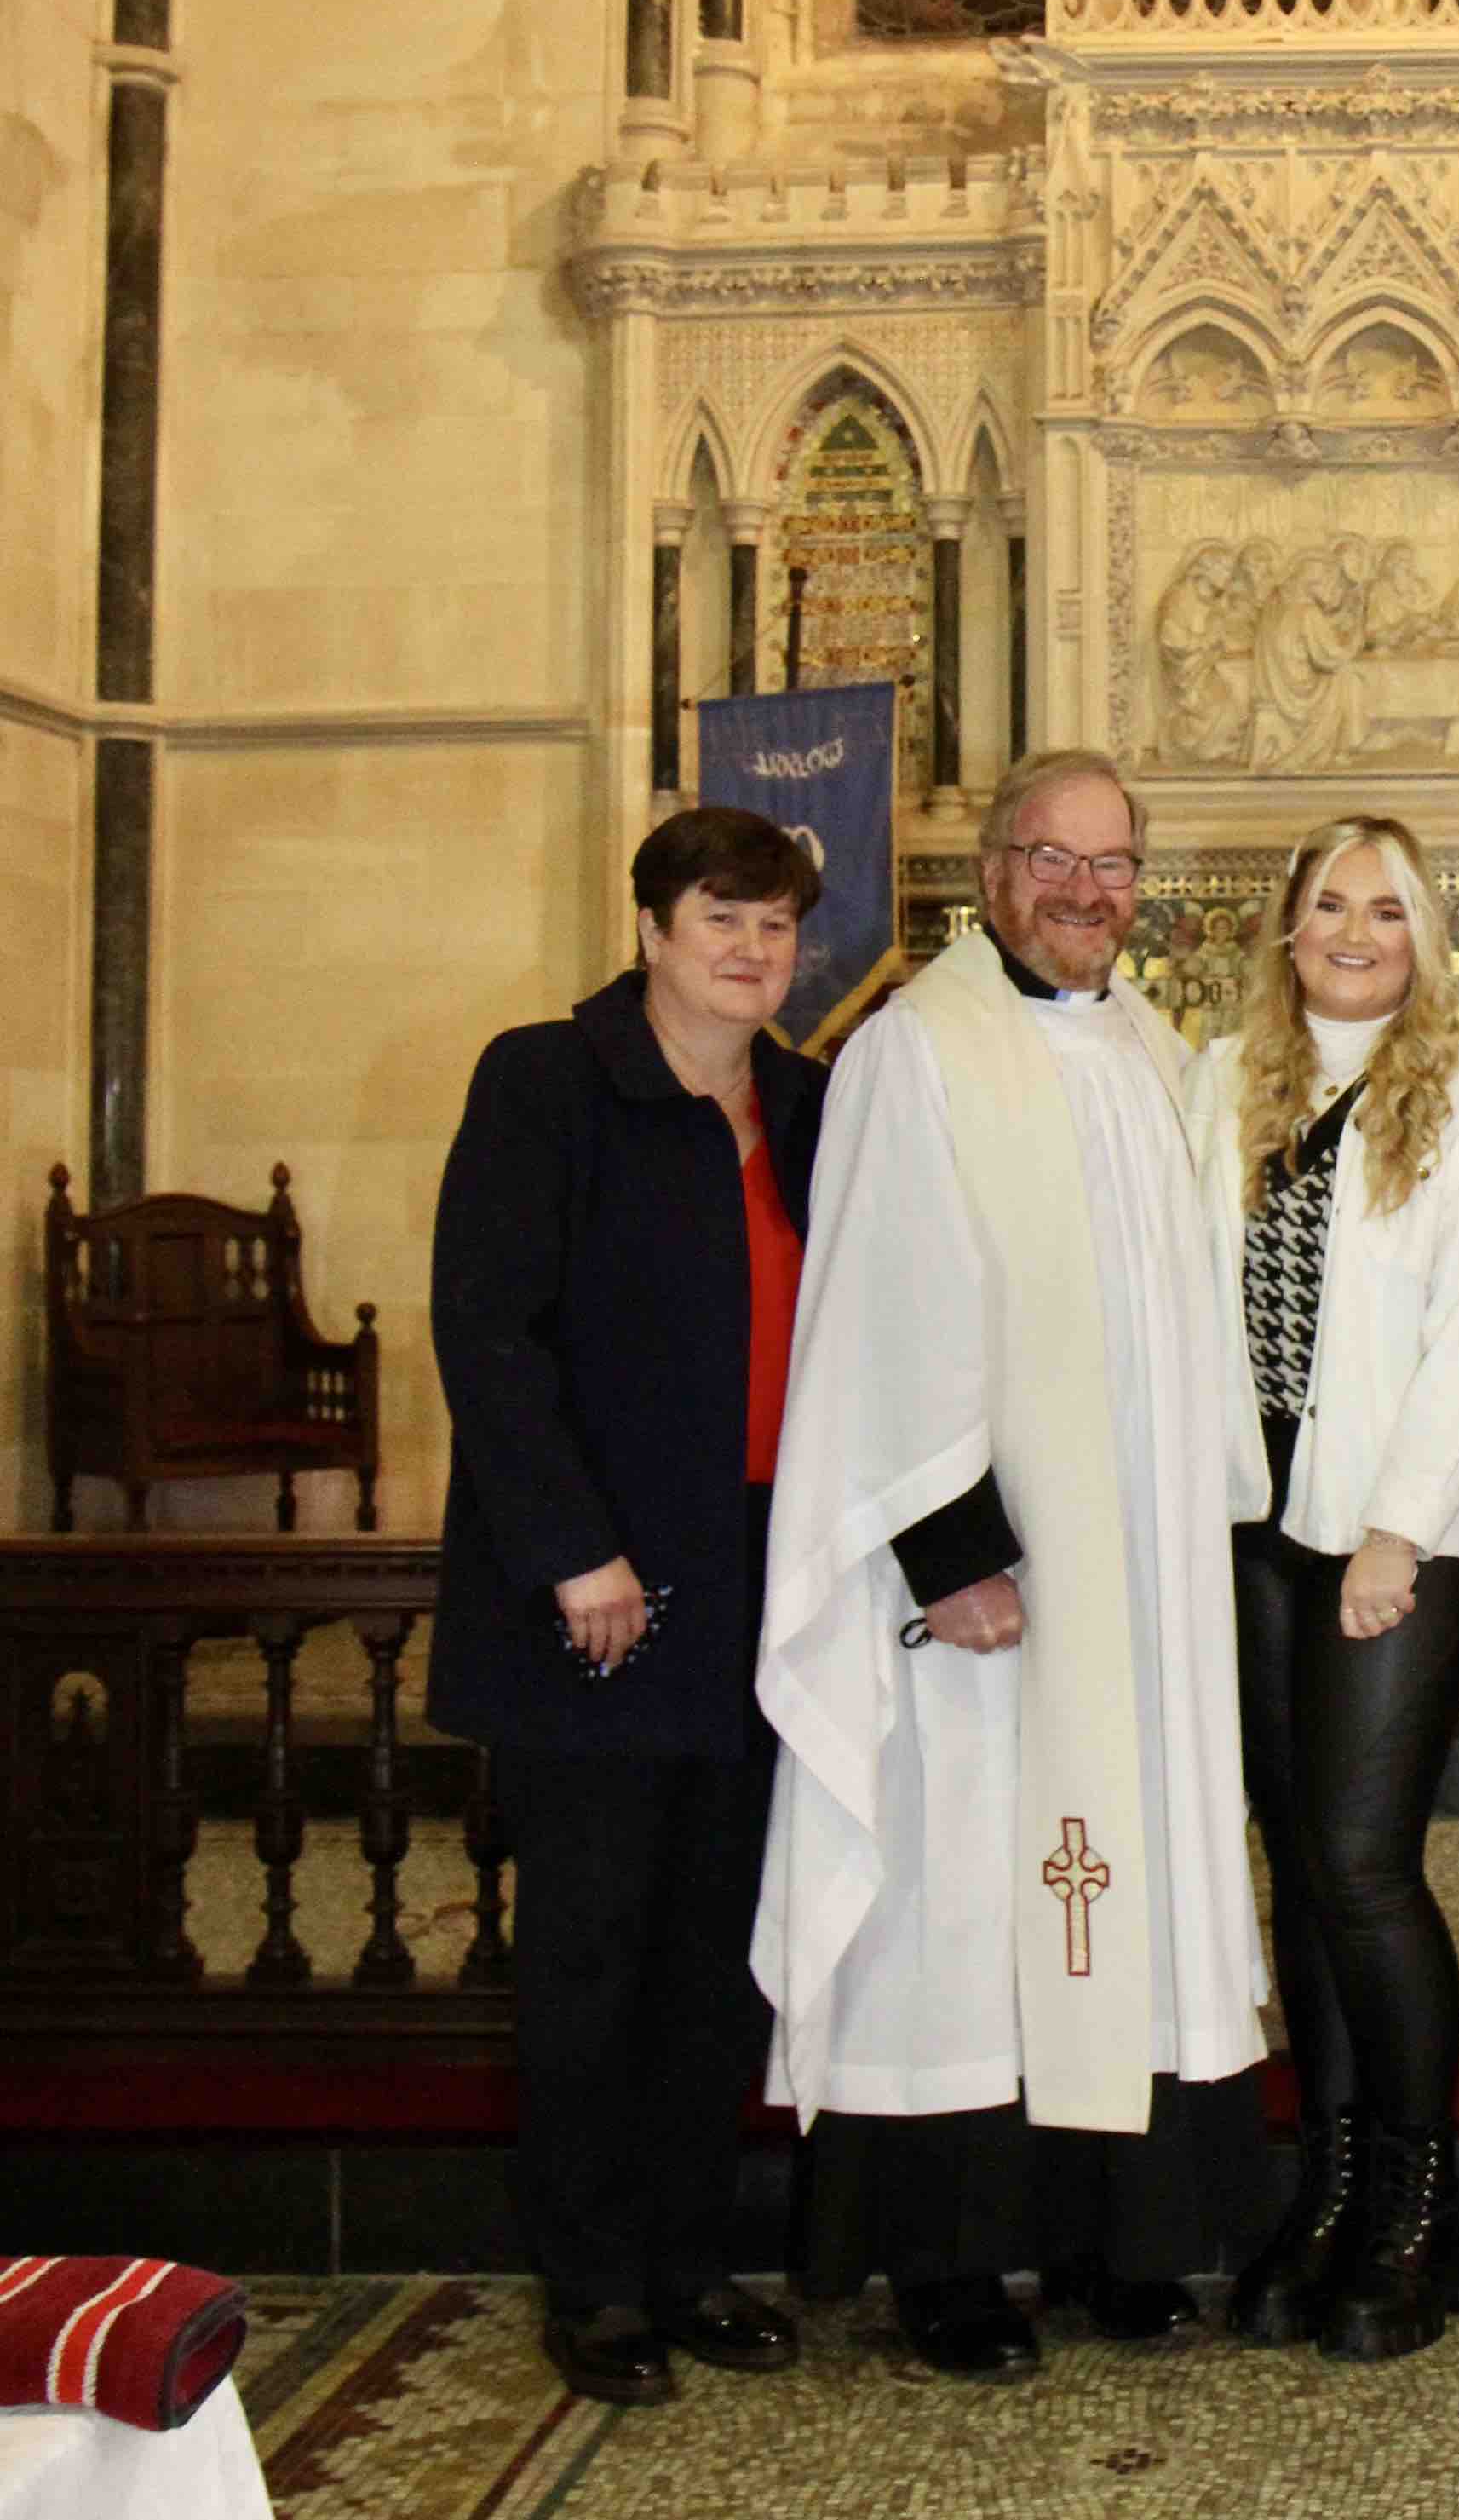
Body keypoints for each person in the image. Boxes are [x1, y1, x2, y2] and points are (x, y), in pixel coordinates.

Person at [751, 750, 1267, 2386]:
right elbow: (882, 1317)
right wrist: (950, 1552)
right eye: (1052, 860)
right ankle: (953, 2263)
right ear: (989, 874)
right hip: (993, 1588)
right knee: (972, 1896)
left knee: (1115, 1892)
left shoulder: (1150, 1047)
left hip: (1134, 1587)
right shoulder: (916, 1052)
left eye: (1115, 865)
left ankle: (1118, 2236)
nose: (1085, 892)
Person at [427, 805, 829, 2407]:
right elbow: (490, 1329)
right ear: (653, 926)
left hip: (756, 1578)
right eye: (720, 917)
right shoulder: (549, 1079)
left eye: (777, 925)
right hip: (599, 1587)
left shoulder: (803, 1101)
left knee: (718, 1953)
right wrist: (570, 1549)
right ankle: (592, 2279)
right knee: (592, 1948)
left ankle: (686, 2254)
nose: (750, 949)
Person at [1191, 820, 1459, 2364]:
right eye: (1329, 902)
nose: (1354, 928)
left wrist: (1401, 1529)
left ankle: (1421, 2208)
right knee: (1295, 1858)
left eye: (1385, 908)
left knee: (1363, 1863)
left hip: (1394, 1531)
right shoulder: (1219, 1082)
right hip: (1250, 1520)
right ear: (1288, 925)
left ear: (1425, 935)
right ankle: (1330, 2190)